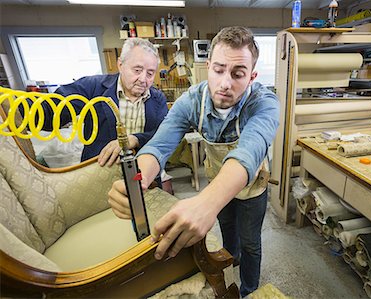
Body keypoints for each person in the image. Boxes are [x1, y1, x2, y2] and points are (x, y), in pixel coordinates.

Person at [108, 26, 280, 297]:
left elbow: (249, 151)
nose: (225, 83)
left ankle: (248, 289)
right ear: (208, 66)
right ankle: (230, 268)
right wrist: (135, 180)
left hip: (251, 189)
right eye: (219, 70)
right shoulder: (192, 101)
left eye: (237, 74)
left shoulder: (265, 103)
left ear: (252, 76)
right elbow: (160, 144)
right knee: (228, 234)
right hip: (217, 181)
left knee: (250, 244)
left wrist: (206, 203)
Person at [23, 37, 168, 168]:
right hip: (99, 173)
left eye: (150, 73)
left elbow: (163, 135)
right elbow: (51, 111)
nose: (143, 79)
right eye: (137, 70)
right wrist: (18, 109)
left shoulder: (157, 99)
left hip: (143, 173)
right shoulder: (92, 87)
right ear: (120, 65)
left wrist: (136, 139)